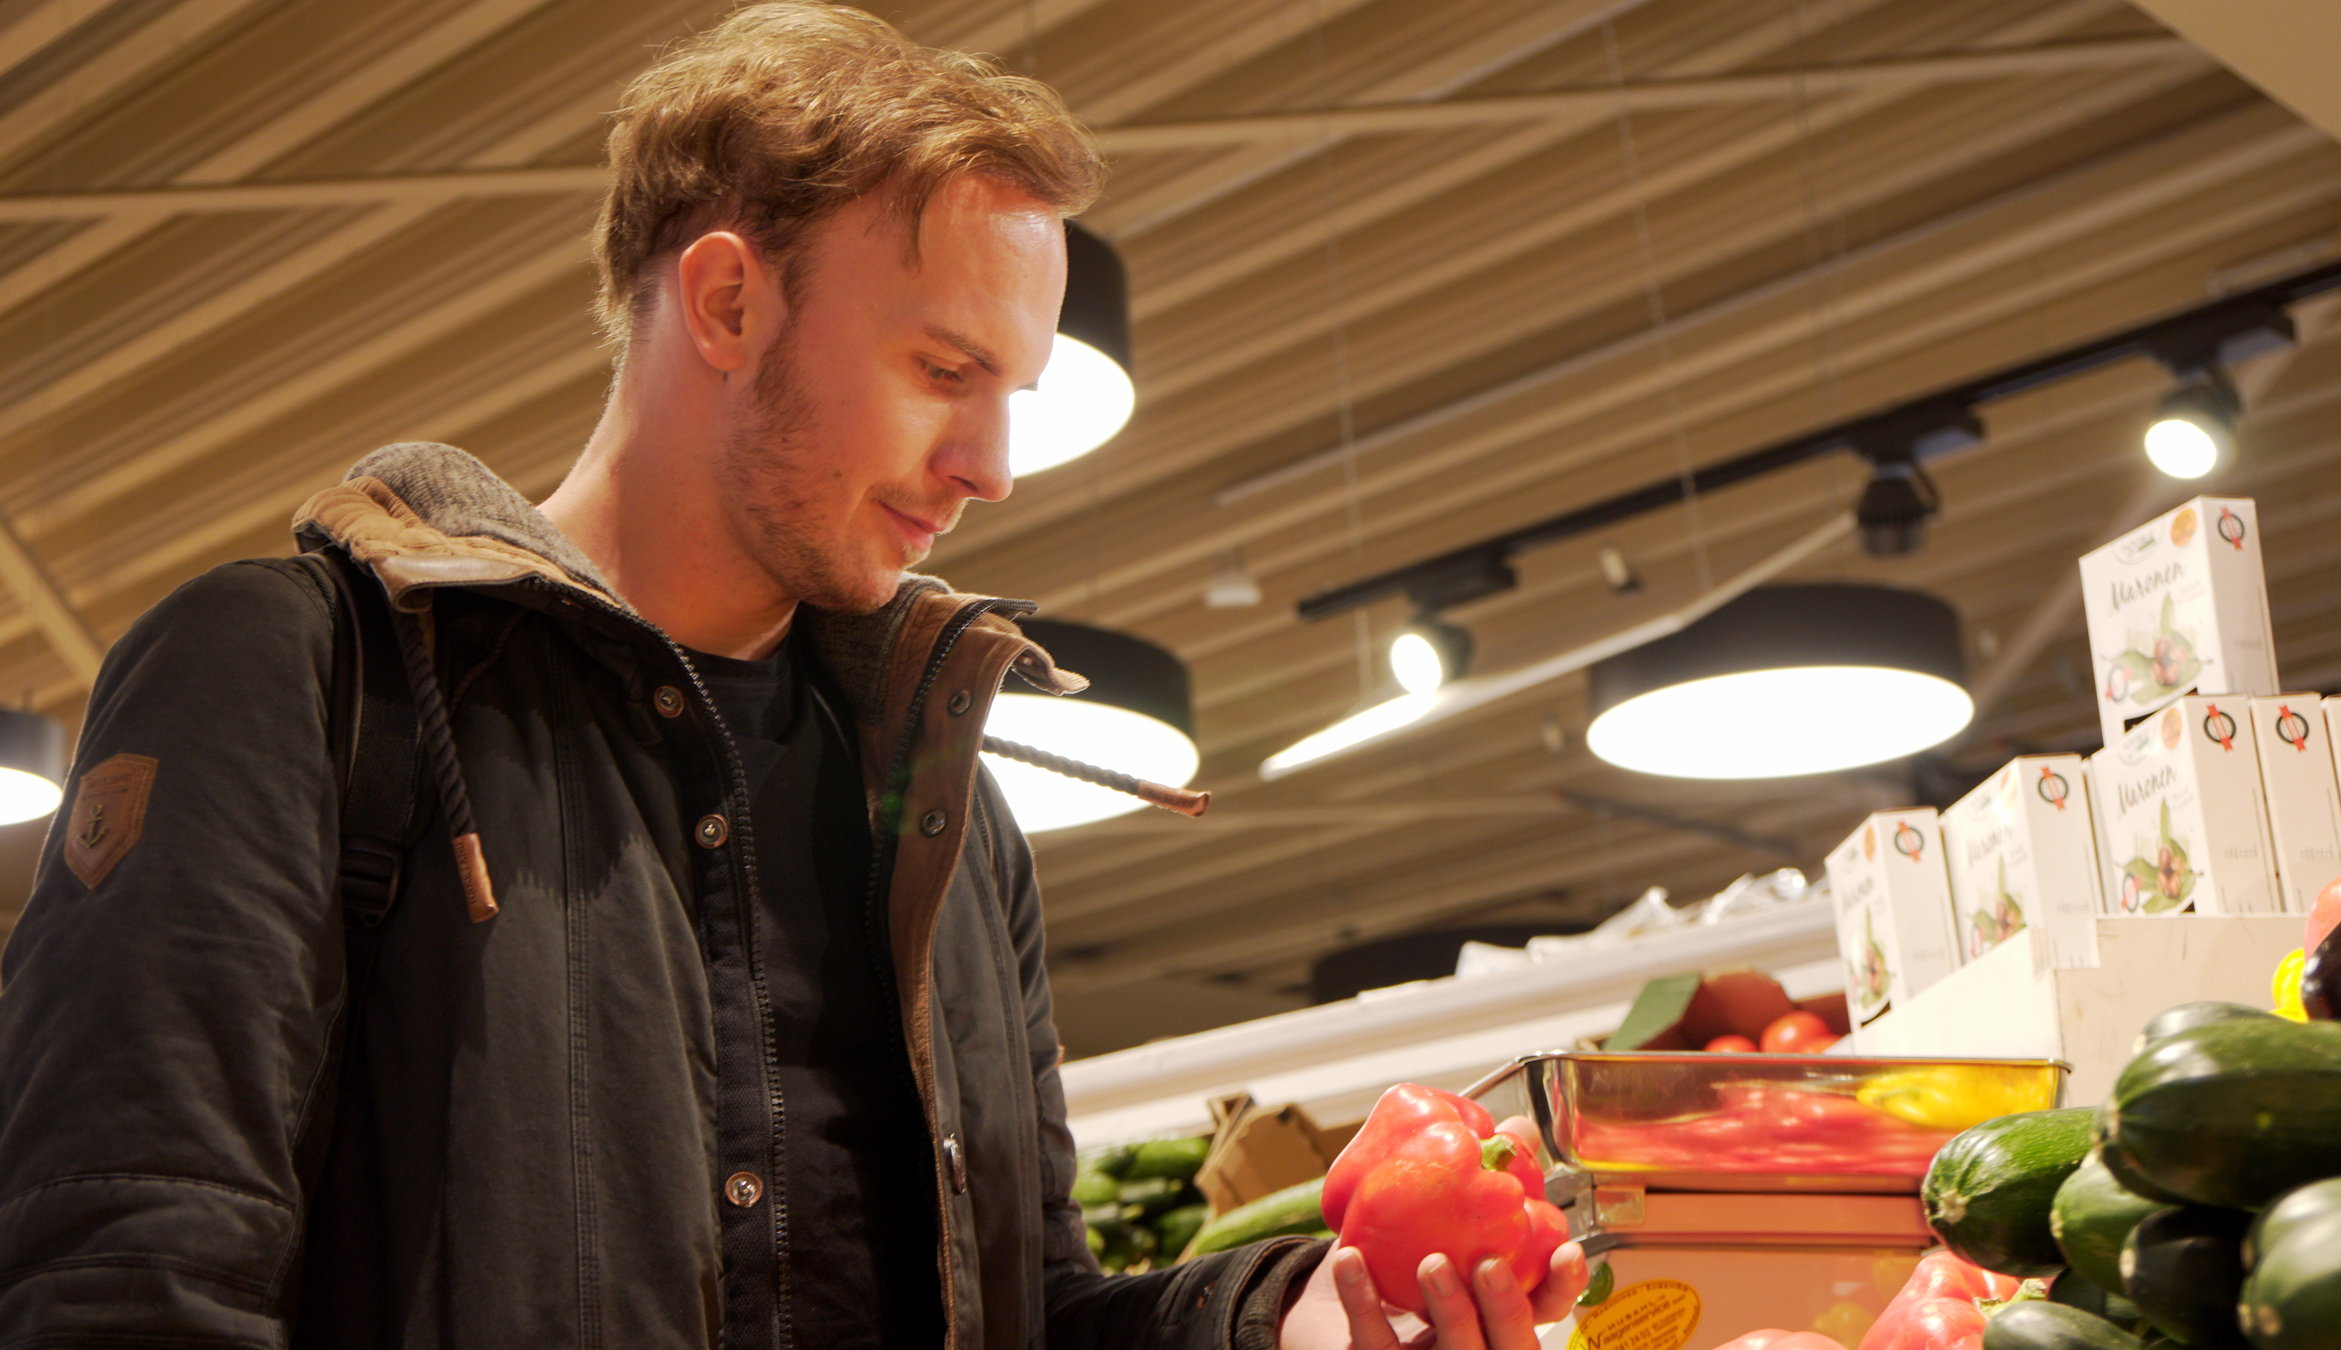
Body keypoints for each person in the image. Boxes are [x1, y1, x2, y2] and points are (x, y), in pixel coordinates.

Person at [0, 5, 1585, 1347]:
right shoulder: (295, 674)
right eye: (944, 371)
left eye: (1012, 392)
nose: (992, 468)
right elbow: (125, 1272)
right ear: (727, 299)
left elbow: (1035, 1308)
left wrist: (1292, 1313)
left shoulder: (947, 822)